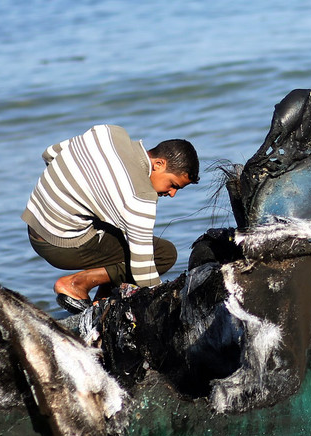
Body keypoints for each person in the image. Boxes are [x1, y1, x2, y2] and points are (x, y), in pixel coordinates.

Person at [22, 125, 199, 310]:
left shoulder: (109, 133)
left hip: (34, 219)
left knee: (123, 228)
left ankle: (104, 301)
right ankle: (77, 284)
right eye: (173, 185)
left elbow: (50, 153)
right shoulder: (140, 197)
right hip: (58, 245)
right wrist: (164, 306)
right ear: (159, 164)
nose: (172, 194)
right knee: (163, 253)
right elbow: (143, 270)